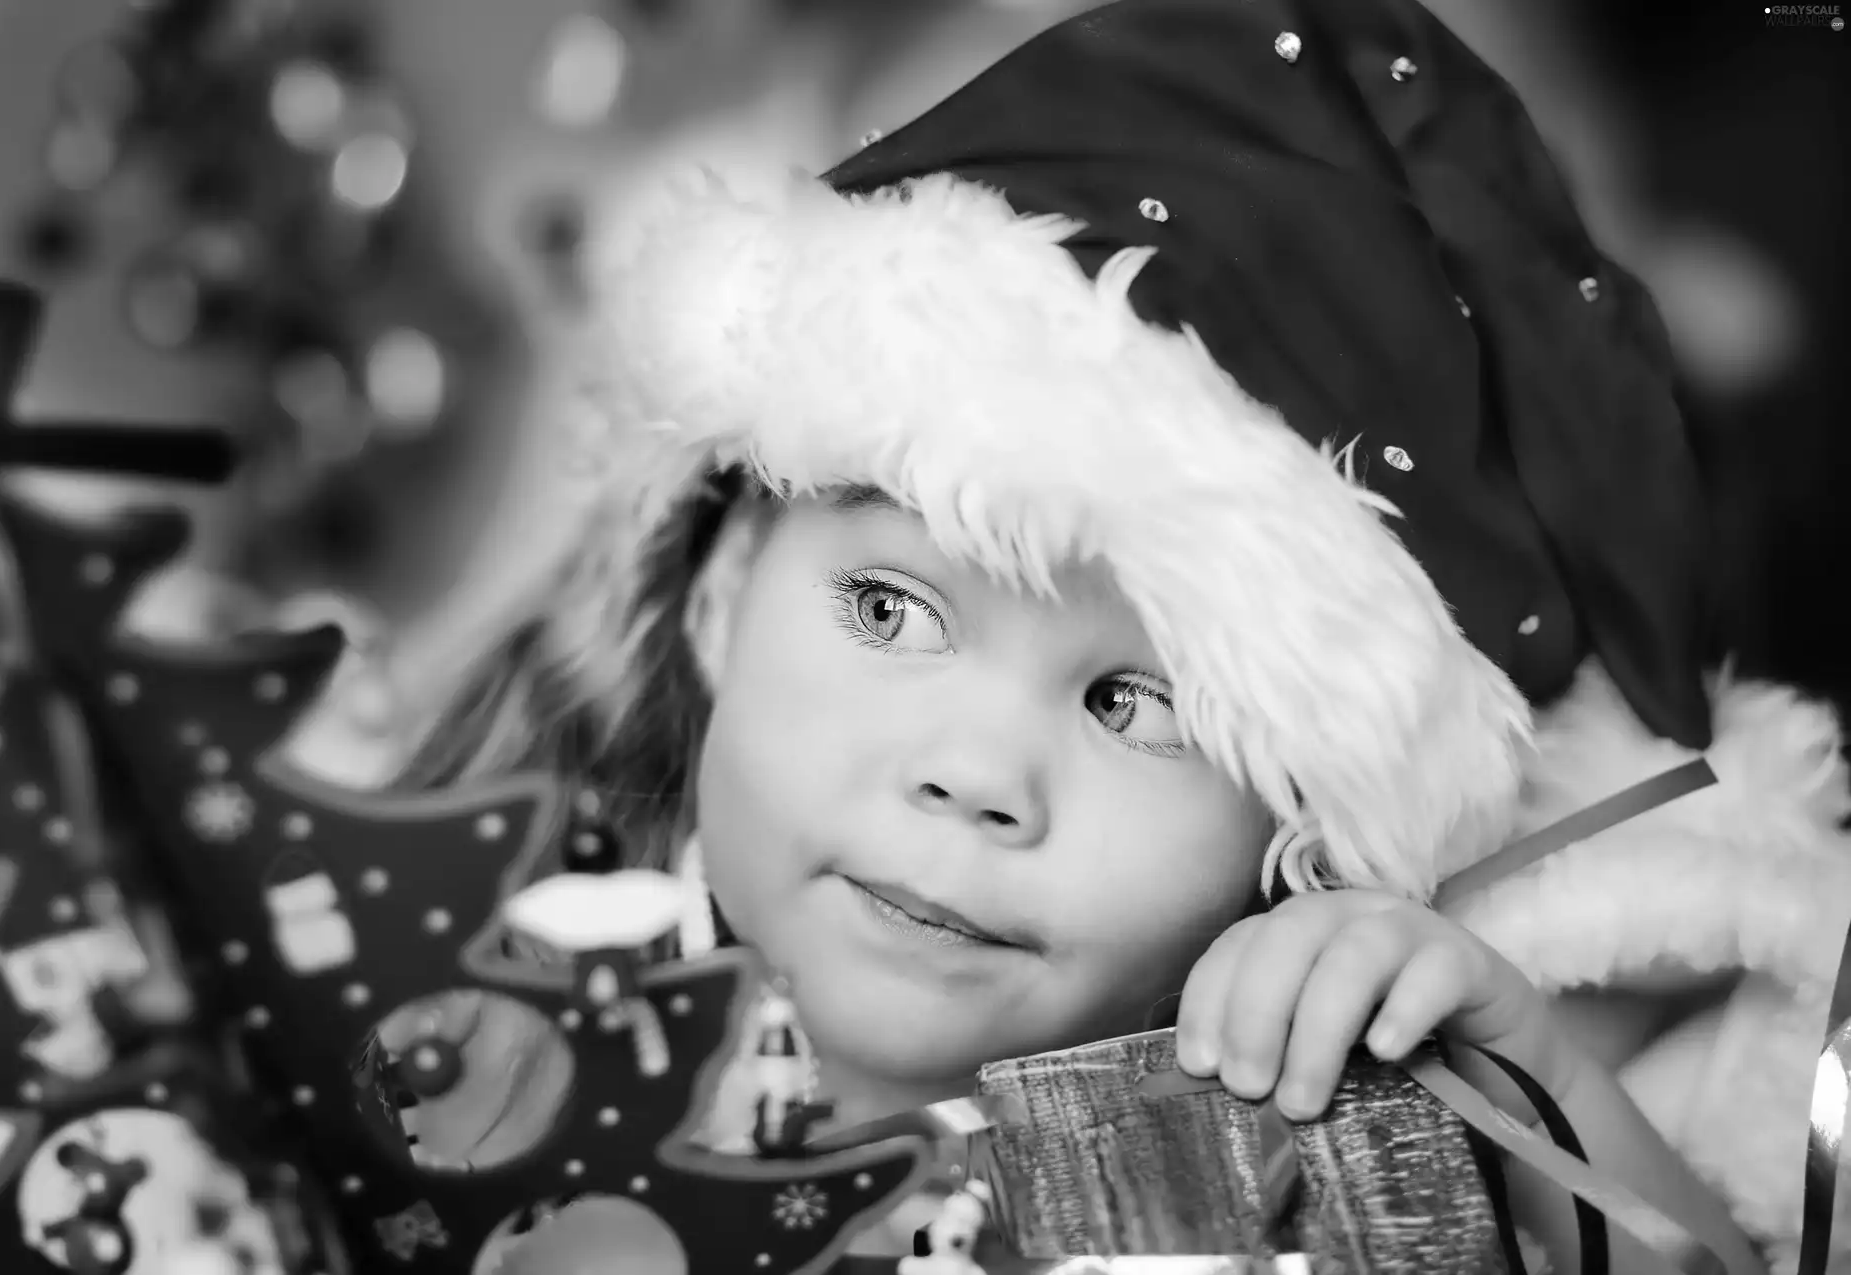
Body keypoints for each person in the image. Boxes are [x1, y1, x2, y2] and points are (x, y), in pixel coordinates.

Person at [351, 0, 1851, 1270]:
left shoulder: (1308, 1145)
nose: (981, 773)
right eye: (891, 609)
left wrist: (1535, 1077)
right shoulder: (424, 944)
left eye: (1140, 700)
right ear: (727, 588)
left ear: (1300, 828)